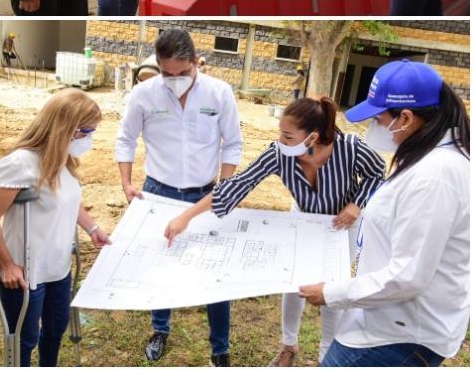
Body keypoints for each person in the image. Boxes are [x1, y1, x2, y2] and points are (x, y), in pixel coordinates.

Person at [163, 97, 386, 365]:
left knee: (333, 289)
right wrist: (186, 217)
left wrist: (356, 205)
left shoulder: (350, 147)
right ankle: (288, 346)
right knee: (292, 282)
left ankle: (327, 353)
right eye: (281, 132)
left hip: (342, 224)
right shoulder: (279, 154)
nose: (281, 140)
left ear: (312, 137)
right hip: (303, 219)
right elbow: (238, 185)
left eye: (288, 136)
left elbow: (377, 172)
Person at [298, 60, 470, 367]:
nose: (373, 128)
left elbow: (407, 277)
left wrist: (332, 293)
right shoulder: (427, 156)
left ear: (405, 118)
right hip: (387, 324)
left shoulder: (435, 175)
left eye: (378, 119)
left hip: (396, 336)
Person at [115, 28, 243, 366]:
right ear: (158, 65)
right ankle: (160, 329)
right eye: (167, 74)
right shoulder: (143, 94)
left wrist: (224, 186)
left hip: (206, 195)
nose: (175, 81)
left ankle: (220, 347)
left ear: (196, 61)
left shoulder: (219, 93)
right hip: (158, 192)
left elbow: (232, 144)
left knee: (216, 272)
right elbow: (125, 138)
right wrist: (126, 183)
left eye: (182, 73)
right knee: (161, 265)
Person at [0, 89, 112, 367]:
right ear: (65, 128)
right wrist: (6, 265)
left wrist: (92, 228)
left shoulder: (64, 161)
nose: (89, 139)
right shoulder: (20, 163)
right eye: (86, 131)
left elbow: (69, 201)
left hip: (59, 269)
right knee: (25, 340)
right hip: (25, 273)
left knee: (56, 330)